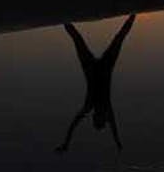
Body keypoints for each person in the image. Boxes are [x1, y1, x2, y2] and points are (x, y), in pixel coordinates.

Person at [56, 14, 136, 152]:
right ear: (102, 117)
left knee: (78, 40)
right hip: (105, 67)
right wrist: (118, 143)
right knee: (119, 38)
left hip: (91, 69)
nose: (99, 115)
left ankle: (62, 18)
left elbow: (74, 124)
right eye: (101, 118)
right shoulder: (105, 108)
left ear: (95, 116)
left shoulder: (89, 107)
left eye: (97, 117)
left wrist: (67, 143)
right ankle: (134, 14)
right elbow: (114, 127)